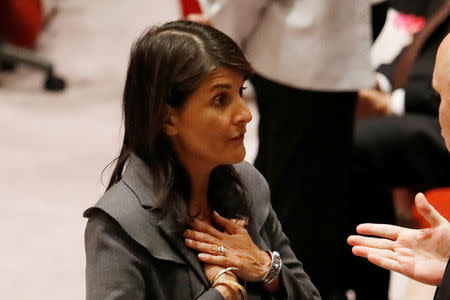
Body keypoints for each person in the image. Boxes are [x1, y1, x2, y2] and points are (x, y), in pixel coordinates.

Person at [83, 20, 320, 300]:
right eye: (221, 99)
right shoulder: (118, 226)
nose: (245, 114)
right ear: (167, 117)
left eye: (240, 92)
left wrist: (266, 268)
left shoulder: (248, 184)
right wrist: (224, 291)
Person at [194, 1, 386, 298]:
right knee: (306, 205)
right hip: (313, 53)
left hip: (307, 54)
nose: (243, 114)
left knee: (305, 214)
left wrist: (221, 37)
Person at [346, 1, 450, 298]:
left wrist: (391, 103)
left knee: (357, 143)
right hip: (422, 106)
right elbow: (417, 51)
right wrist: (380, 83)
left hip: (424, 113)